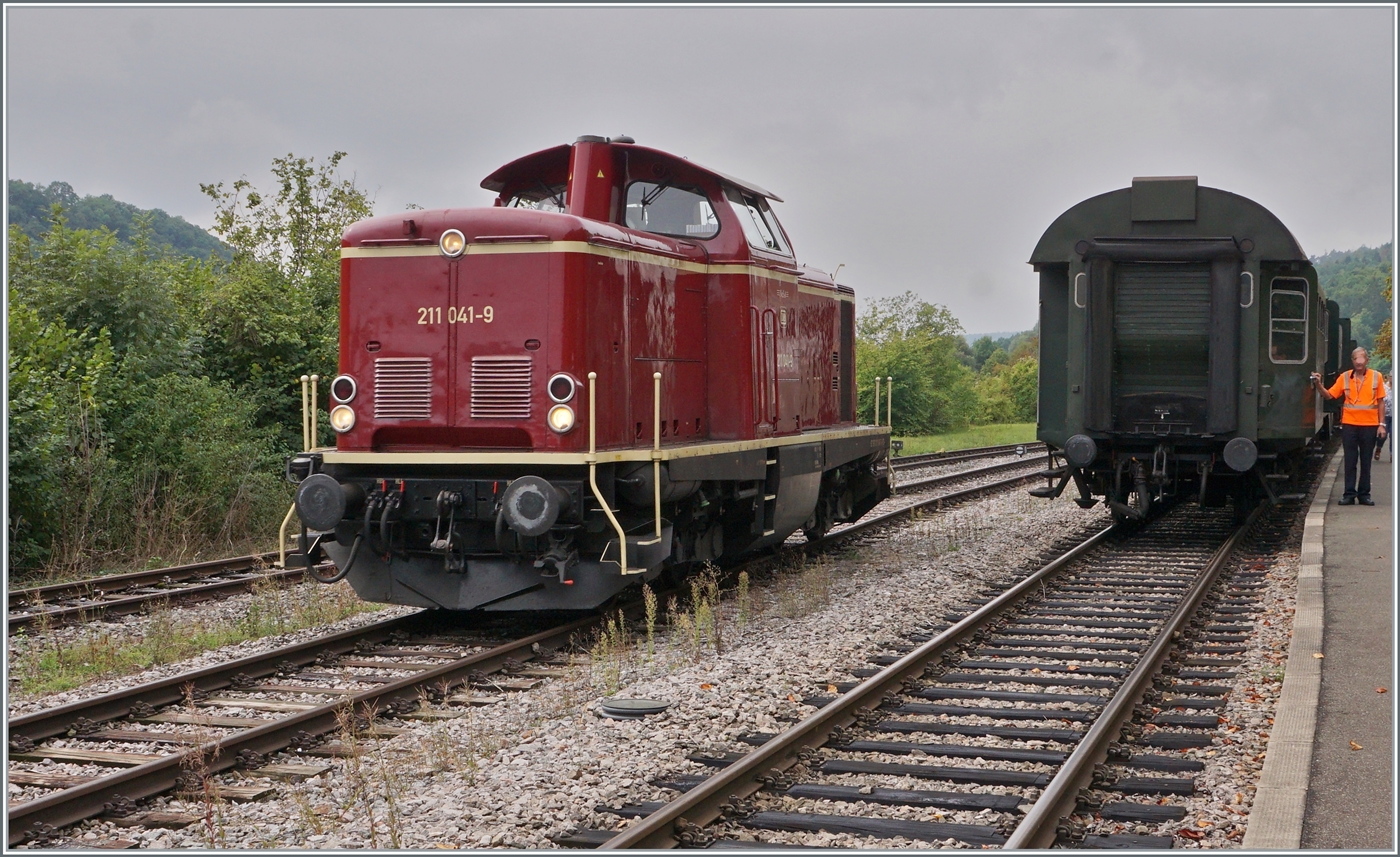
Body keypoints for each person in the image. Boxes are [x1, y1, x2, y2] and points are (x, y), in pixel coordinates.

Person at [1312, 347, 1387, 505]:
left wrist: (1381, 424)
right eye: (1355, 359)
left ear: (1367, 360)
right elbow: (1330, 395)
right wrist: (1318, 385)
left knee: (1366, 461)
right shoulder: (1345, 377)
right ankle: (1349, 494)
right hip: (1350, 425)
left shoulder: (1376, 377)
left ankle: (1364, 494)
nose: (1358, 362)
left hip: (1370, 425)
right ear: (1352, 361)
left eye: (1361, 359)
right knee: (1350, 460)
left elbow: (1380, 402)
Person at [1378, 373, 1393, 462]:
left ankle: (1392, 455)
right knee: (1383, 435)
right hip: (1385, 415)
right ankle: (1379, 447)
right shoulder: (1384, 387)